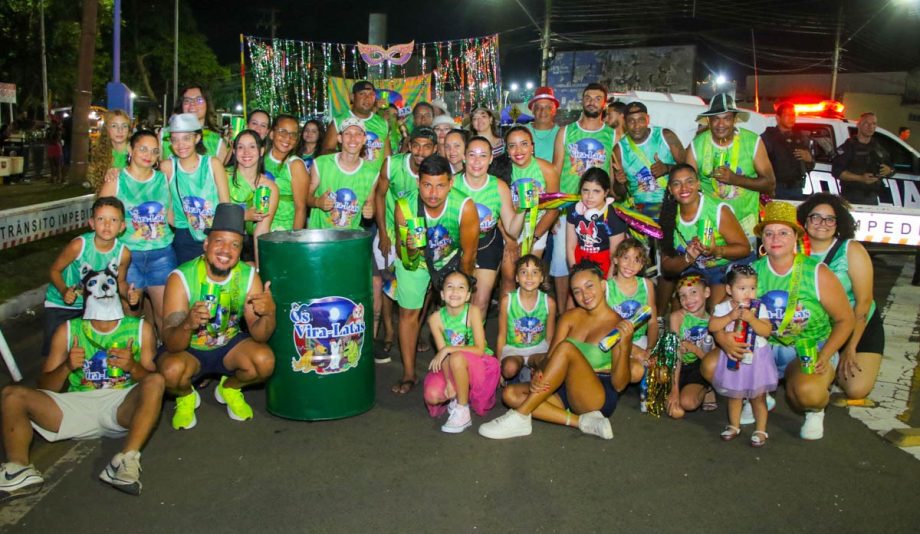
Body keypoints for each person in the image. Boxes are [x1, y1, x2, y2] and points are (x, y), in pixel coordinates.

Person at [0, 256, 163, 499]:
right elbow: (45, 386)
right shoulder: (68, 330)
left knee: (157, 381)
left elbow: (152, 382)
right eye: (94, 286)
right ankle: (18, 469)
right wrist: (66, 366)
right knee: (11, 394)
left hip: (119, 405)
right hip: (75, 404)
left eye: (108, 284)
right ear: (85, 294)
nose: (102, 290)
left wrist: (133, 367)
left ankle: (125, 460)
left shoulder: (140, 329)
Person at [715, 201, 855, 440]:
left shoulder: (817, 273)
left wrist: (825, 354)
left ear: (795, 238)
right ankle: (758, 394)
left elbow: (845, 320)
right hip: (763, 348)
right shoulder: (751, 272)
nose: (775, 238)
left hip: (807, 348)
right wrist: (722, 338)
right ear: (762, 240)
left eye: (783, 233)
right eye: (769, 233)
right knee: (711, 366)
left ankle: (816, 409)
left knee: (808, 393)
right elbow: (721, 310)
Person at [478, 261, 634, 440]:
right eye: (577, 291)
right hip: (563, 387)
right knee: (510, 394)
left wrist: (626, 343)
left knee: (567, 348)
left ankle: (520, 416)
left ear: (603, 285)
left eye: (589, 286)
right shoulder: (569, 317)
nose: (584, 294)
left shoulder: (617, 325)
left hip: (596, 394)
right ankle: (581, 422)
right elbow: (550, 356)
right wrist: (541, 373)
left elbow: (620, 384)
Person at [158, 203, 276, 430]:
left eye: (235, 245)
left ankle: (229, 387)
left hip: (228, 345)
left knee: (264, 361)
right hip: (189, 350)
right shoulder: (181, 277)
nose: (226, 250)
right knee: (170, 372)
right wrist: (187, 324)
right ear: (206, 243)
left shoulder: (248, 276)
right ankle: (185, 396)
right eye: (219, 241)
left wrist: (269, 312)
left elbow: (260, 335)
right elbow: (172, 343)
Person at [389, 155, 479, 394]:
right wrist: (408, 247)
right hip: (416, 262)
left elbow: (469, 254)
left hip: (452, 261)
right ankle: (409, 373)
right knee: (408, 313)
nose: (433, 193)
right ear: (418, 182)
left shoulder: (464, 206)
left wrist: (464, 286)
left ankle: (462, 367)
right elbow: (400, 250)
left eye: (440, 185)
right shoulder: (404, 206)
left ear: (451, 183)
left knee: (458, 313)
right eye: (427, 185)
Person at [797, 193, 883, 401]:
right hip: (816, 326)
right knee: (803, 381)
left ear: (838, 223)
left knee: (856, 389)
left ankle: (836, 365)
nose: (822, 223)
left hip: (856, 325)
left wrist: (851, 346)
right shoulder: (795, 248)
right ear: (805, 221)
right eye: (815, 217)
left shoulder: (851, 250)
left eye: (830, 219)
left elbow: (863, 302)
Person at [99, 131, 175, 333]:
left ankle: (162, 359)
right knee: (131, 316)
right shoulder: (116, 179)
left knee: (166, 317)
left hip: (162, 255)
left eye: (154, 151)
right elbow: (100, 220)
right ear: (130, 150)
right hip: (128, 258)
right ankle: (133, 359)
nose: (148, 154)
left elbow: (172, 216)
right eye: (142, 148)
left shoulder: (163, 179)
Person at [374, 127, 439, 364]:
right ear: (409, 145)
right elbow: (379, 196)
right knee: (388, 282)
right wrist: (382, 232)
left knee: (428, 284)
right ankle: (391, 332)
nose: (421, 151)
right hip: (392, 231)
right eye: (416, 145)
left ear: (435, 149)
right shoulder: (392, 165)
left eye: (427, 146)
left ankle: (416, 328)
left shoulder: (437, 171)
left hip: (426, 235)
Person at [551, 83, 617, 299]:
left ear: (604, 104)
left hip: (600, 208)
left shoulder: (612, 135)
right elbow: (555, 171)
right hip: (568, 205)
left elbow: (613, 175)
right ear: (582, 100)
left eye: (597, 98)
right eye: (588, 97)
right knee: (562, 261)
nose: (592, 101)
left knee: (602, 260)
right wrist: (553, 212)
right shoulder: (566, 131)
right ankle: (563, 313)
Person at [42, 197, 131, 358]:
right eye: (101, 219)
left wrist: (130, 294)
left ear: (122, 226)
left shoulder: (123, 253)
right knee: (55, 354)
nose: (107, 224)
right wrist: (63, 291)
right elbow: (54, 270)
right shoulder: (79, 245)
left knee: (87, 354)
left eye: (113, 219)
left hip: (94, 307)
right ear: (92, 223)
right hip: (61, 304)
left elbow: (120, 283)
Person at [685, 93, 775, 239]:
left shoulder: (752, 142)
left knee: (744, 262)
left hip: (745, 225)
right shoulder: (697, 145)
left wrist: (735, 179)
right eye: (716, 119)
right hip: (710, 225)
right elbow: (687, 185)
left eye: (726, 118)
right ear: (709, 120)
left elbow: (770, 184)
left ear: (734, 119)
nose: (721, 124)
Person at [659, 164, 751, 307]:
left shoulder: (717, 211)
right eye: (677, 184)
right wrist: (688, 257)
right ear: (670, 190)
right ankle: (661, 322)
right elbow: (666, 266)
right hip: (694, 269)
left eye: (689, 181)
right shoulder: (667, 216)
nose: (684, 188)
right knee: (683, 306)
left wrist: (716, 250)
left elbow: (744, 248)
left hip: (723, 268)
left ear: (698, 184)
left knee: (715, 308)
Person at [452, 136, 524, 316]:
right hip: (455, 247)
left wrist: (523, 208)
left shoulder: (499, 187)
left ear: (491, 159)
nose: (477, 161)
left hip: (487, 245)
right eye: (472, 155)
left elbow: (512, 230)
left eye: (483, 155)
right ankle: (458, 341)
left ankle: (476, 343)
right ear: (464, 157)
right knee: (456, 302)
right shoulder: (452, 184)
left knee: (481, 303)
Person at [706, 265, 778, 446]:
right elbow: (713, 326)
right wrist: (730, 316)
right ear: (729, 289)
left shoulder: (758, 307)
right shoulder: (723, 307)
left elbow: (766, 330)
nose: (748, 293)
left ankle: (761, 429)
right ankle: (734, 425)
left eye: (752, 288)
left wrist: (752, 319)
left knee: (758, 397)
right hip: (734, 357)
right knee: (735, 394)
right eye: (742, 288)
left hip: (757, 358)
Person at [422, 270, 500, 433]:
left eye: (461, 287)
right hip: (451, 364)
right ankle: (459, 392)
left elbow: (479, 349)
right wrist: (450, 382)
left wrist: (449, 348)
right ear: (442, 294)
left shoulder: (473, 312)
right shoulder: (435, 319)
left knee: (456, 356)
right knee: (433, 395)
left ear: (468, 295)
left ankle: (463, 409)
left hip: (480, 364)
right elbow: (443, 357)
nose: (455, 292)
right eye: (450, 287)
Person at [160, 113, 231, 265]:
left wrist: (217, 235)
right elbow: (164, 204)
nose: (181, 145)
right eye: (175, 140)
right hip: (184, 235)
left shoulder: (212, 164)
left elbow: (226, 204)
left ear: (196, 138)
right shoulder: (168, 167)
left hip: (215, 232)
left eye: (186, 138)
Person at [612, 101, 685, 219]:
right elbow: (619, 193)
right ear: (625, 123)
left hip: (670, 205)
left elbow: (689, 169)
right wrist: (619, 182)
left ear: (648, 119)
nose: (636, 126)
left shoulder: (665, 136)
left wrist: (667, 168)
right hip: (639, 213)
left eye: (641, 120)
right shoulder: (619, 150)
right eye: (631, 121)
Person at [605, 239, 659, 385]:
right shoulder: (606, 288)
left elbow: (653, 322)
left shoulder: (646, 285)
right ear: (616, 259)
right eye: (626, 258)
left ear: (642, 264)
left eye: (637, 260)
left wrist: (650, 349)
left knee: (656, 370)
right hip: (614, 341)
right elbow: (603, 327)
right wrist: (635, 351)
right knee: (633, 369)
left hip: (639, 340)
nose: (630, 265)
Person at [308, 118, 377, 230]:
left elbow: (370, 203)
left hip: (350, 239)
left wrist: (371, 211)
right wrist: (317, 202)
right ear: (339, 138)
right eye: (347, 133)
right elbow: (305, 197)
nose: (353, 138)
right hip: (320, 237)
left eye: (358, 134)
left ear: (364, 139)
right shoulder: (321, 164)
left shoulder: (371, 172)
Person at [497, 254, 556, 383]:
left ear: (542, 278)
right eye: (524, 272)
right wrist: (498, 367)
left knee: (549, 366)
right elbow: (502, 335)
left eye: (535, 272)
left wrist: (548, 362)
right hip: (513, 350)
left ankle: (530, 369)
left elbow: (550, 337)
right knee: (508, 369)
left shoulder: (549, 302)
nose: (529, 277)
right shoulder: (507, 301)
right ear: (517, 277)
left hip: (538, 349)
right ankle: (521, 371)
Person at [226, 129, 279, 266]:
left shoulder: (269, 188)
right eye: (240, 147)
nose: (246, 152)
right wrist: (242, 215)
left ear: (261, 151)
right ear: (234, 151)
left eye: (252, 147)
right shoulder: (223, 177)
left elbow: (261, 230)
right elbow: (214, 215)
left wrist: (260, 268)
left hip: (248, 247)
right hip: (223, 242)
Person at [667, 273, 715, 418]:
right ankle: (674, 389)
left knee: (688, 403)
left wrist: (693, 348)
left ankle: (707, 388)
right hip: (679, 366)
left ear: (706, 292)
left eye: (693, 292)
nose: (688, 300)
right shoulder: (677, 317)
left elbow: (711, 360)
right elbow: (675, 354)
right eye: (682, 296)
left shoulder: (714, 321)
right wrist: (674, 390)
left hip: (698, 367)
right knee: (676, 411)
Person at [565, 168, 628, 277]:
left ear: (606, 192)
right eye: (585, 190)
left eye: (596, 191)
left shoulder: (614, 217)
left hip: (605, 265)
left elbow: (615, 258)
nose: (589, 196)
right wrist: (575, 274)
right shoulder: (574, 210)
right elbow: (570, 247)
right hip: (579, 261)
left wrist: (608, 285)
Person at [322, 80, 390, 171]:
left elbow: (387, 158)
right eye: (362, 94)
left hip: (375, 180)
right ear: (352, 97)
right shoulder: (338, 121)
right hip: (348, 179)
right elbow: (325, 152)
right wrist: (349, 154)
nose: (367, 98)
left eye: (371, 94)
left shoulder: (382, 123)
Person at [831, 112, 895, 206]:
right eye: (867, 123)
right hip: (851, 196)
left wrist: (889, 170)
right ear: (859, 125)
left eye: (873, 124)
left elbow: (892, 168)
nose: (870, 127)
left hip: (872, 197)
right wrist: (860, 178)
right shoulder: (848, 147)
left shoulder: (878, 147)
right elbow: (837, 171)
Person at [761, 102, 815, 201]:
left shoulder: (800, 138)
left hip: (796, 189)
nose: (792, 118)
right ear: (778, 118)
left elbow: (810, 166)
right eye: (787, 115)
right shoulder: (768, 137)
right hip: (776, 189)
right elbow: (759, 162)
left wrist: (809, 159)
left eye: (793, 115)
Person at [263, 114, 309, 231]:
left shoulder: (295, 165)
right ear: (272, 134)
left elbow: (301, 208)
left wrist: (293, 239)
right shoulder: (261, 158)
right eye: (282, 132)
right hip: (260, 228)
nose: (287, 138)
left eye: (293, 134)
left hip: (284, 231)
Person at [162, 85, 229, 162]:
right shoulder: (164, 136)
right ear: (181, 105)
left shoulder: (217, 142)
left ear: (207, 104)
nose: (193, 104)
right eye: (187, 100)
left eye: (199, 100)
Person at [88, 109, 131, 190]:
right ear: (106, 129)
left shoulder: (137, 152)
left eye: (124, 126)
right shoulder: (101, 152)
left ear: (129, 129)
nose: (120, 130)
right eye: (114, 126)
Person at [525, 87, 560, 163]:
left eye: (548, 107)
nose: (543, 111)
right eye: (538, 107)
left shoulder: (561, 134)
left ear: (554, 111)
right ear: (533, 110)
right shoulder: (522, 131)